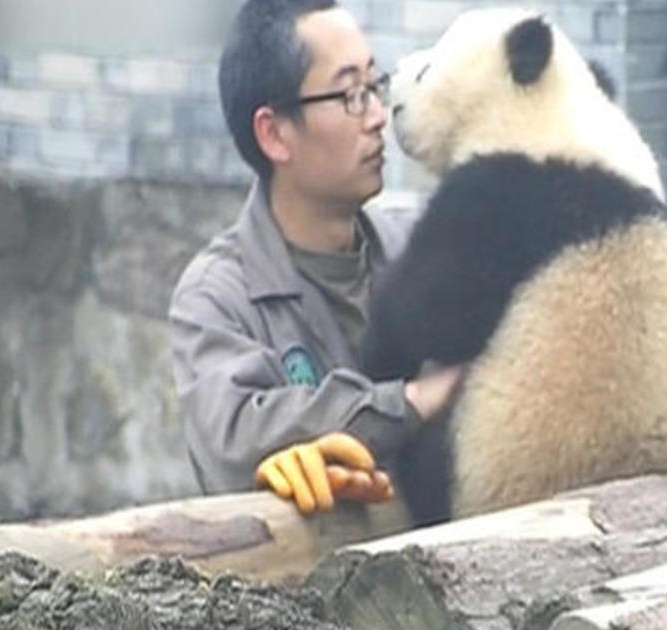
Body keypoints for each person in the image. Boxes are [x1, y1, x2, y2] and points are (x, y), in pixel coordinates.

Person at [169, 0, 463, 515]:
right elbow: (235, 436)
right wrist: (412, 402)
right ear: (275, 133)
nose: (377, 117)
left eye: (374, 85)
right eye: (349, 94)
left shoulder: (419, 248)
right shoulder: (218, 296)